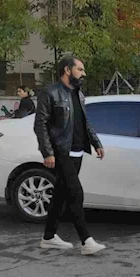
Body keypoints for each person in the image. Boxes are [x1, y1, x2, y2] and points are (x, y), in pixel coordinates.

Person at [34, 55, 106, 256]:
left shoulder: (78, 94)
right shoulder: (50, 93)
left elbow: (85, 122)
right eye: (80, 69)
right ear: (67, 70)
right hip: (60, 151)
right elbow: (40, 125)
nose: (84, 73)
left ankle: (48, 237)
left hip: (77, 151)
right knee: (76, 192)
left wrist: (96, 142)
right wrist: (48, 152)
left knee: (61, 194)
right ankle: (86, 241)